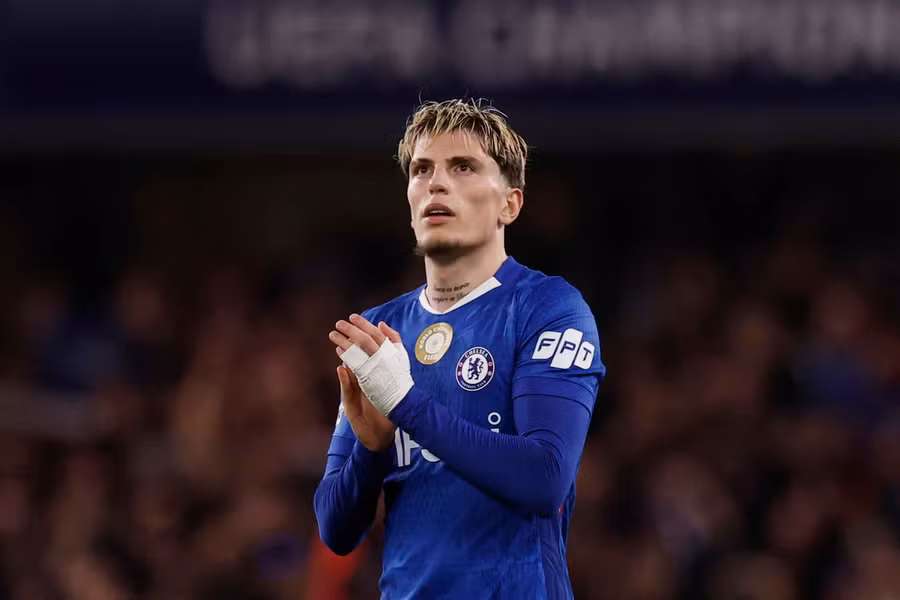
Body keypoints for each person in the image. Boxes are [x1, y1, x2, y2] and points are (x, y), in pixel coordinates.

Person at [314, 99, 606, 599]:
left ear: (509, 204)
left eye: (463, 167)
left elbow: (545, 478)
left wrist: (405, 402)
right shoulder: (384, 330)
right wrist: (371, 448)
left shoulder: (548, 308)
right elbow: (336, 530)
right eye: (422, 169)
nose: (436, 183)